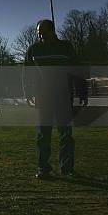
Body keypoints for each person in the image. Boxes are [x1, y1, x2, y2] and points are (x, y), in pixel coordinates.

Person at [24, 19, 87, 179]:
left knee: (65, 134)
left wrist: (82, 92)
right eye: (38, 32)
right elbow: (26, 73)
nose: (40, 35)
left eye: (43, 32)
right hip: (43, 98)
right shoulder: (34, 49)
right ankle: (42, 168)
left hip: (63, 96)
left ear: (52, 31)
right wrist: (27, 93)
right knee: (43, 134)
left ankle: (67, 169)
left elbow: (77, 71)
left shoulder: (66, 47)